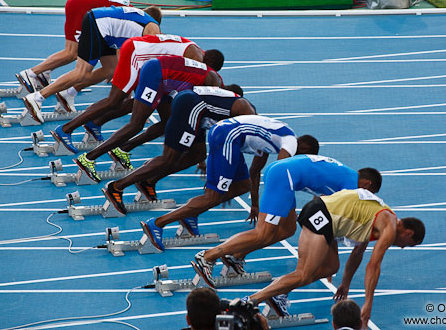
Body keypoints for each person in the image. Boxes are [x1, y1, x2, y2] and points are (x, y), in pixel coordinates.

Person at [239, 188, 425, 329]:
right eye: (408, 244)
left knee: (331, 267)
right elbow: (373, 265)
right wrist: (368, 302)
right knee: (304, 274)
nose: (402, 247)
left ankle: (278, 293)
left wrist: (345, 283)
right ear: (409, 232)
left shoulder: (381, 221)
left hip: (327, 221)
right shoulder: (390, 226)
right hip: (321, 214)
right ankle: (251, 301)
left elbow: (357, 254)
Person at [192, 155, 382, 284]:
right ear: (367, 184)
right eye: (370, 193)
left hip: (285, 174)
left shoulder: (345, 175)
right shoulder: (351, 187)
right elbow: (333, 220)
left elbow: (322, 203)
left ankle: (236, 256)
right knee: (262, 233)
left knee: (287, 229)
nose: (366, 197)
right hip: (285, 177)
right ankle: (207, 257)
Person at [139, 114, 320, 250]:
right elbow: (280, 176)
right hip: (227, 136)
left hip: (230, 136)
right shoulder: (290, 144)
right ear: (303, 149)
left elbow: (255, 171)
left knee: (243, 185)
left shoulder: (274, 140)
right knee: (213, 196)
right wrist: (273, 212)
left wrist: (255, 204)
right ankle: (157, 223)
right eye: (303, 158)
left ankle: (189, 214)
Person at [51, 34, 224, 153]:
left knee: (141, 104)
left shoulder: (197, 51)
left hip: (149, 63)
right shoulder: (197, 61)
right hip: (138, 55)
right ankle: (65, 129)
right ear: (208, 64)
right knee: (114, 100)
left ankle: (95, 123)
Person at [100, 87, 257, 214]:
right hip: (191, 106)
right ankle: (116, 187)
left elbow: (222, 147)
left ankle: (148, 180)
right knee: (170, 157)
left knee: (197, 155)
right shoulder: (245, 112)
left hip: (197, 112)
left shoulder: (234, 112)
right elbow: (226, 149)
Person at [71, 55, 226, 180]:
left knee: (167, 122)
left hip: (164, 81)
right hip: (157, 74)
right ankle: (88, 159)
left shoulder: (211, 79)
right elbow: (199, 115)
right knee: (136, 124)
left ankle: (123, 149)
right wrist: (201, 158)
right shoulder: (215, 82)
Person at [23, 5, 162, 123]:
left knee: (110, 69)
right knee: (82, 72)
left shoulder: (137, 25)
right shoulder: (153, 32)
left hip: (105, 31)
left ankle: (68, 92)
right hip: (97, 24)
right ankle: (37, 97)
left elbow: (125, 59)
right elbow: (140, 66)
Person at [16, 0, 131, 97]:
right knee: (72, 52)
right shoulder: (135, 26)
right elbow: (123, 56)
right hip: (81, 10)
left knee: (110, 68)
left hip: (93, 18)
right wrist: (127, 92)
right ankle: (30, 73)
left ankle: (51, 78)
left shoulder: (136, 16)